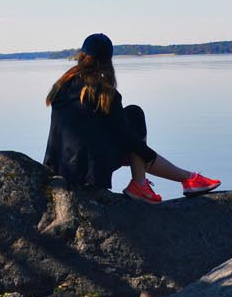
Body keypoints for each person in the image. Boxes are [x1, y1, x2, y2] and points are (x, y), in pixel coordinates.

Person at [43, 32, 221, 203]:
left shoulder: (61, 86)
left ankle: (178, 180)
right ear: (108, 60)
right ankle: (145, 184)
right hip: (88, 174)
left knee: (129, 128)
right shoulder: (105, 93)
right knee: (135, 115)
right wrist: (148, 155)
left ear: (82, 55)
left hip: (58, 169)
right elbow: (129, 138)